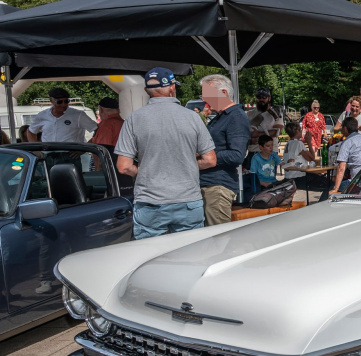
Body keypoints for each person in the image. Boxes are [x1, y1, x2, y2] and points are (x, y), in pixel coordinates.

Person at [115, 67, 217, 240]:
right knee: (190, 252)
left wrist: (146, 171)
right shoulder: (193, 117)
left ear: (146, 90)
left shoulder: (133, 119)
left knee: (150, 254)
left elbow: (124, 167)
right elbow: (210, 160)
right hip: (187, 200)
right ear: (172, 88)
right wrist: (186, 165)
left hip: (150, 202)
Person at [198, 74, 250, 225]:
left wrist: (206, 155)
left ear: (223, 93)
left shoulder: (236, 117)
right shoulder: (220, 117)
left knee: (218, 236)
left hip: (218, 187)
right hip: (209, 185)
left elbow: (237, 155)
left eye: (207, 94)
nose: (204, 99)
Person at [28, 87, 97, 143]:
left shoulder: (78, 115)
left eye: (66, 101)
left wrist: (85, 148)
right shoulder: (42, 115)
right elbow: (31, 131)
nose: (63, 105)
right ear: (51, 100)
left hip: (72, 154)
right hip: (48, 153)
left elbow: (97, 131)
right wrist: (37, 150)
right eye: (59, 102)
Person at [330, 117, 361, 193]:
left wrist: (335, 189)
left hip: (357, 183)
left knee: (330, 188)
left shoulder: (347, 142)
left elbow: (341, 167)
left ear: (345, 128)